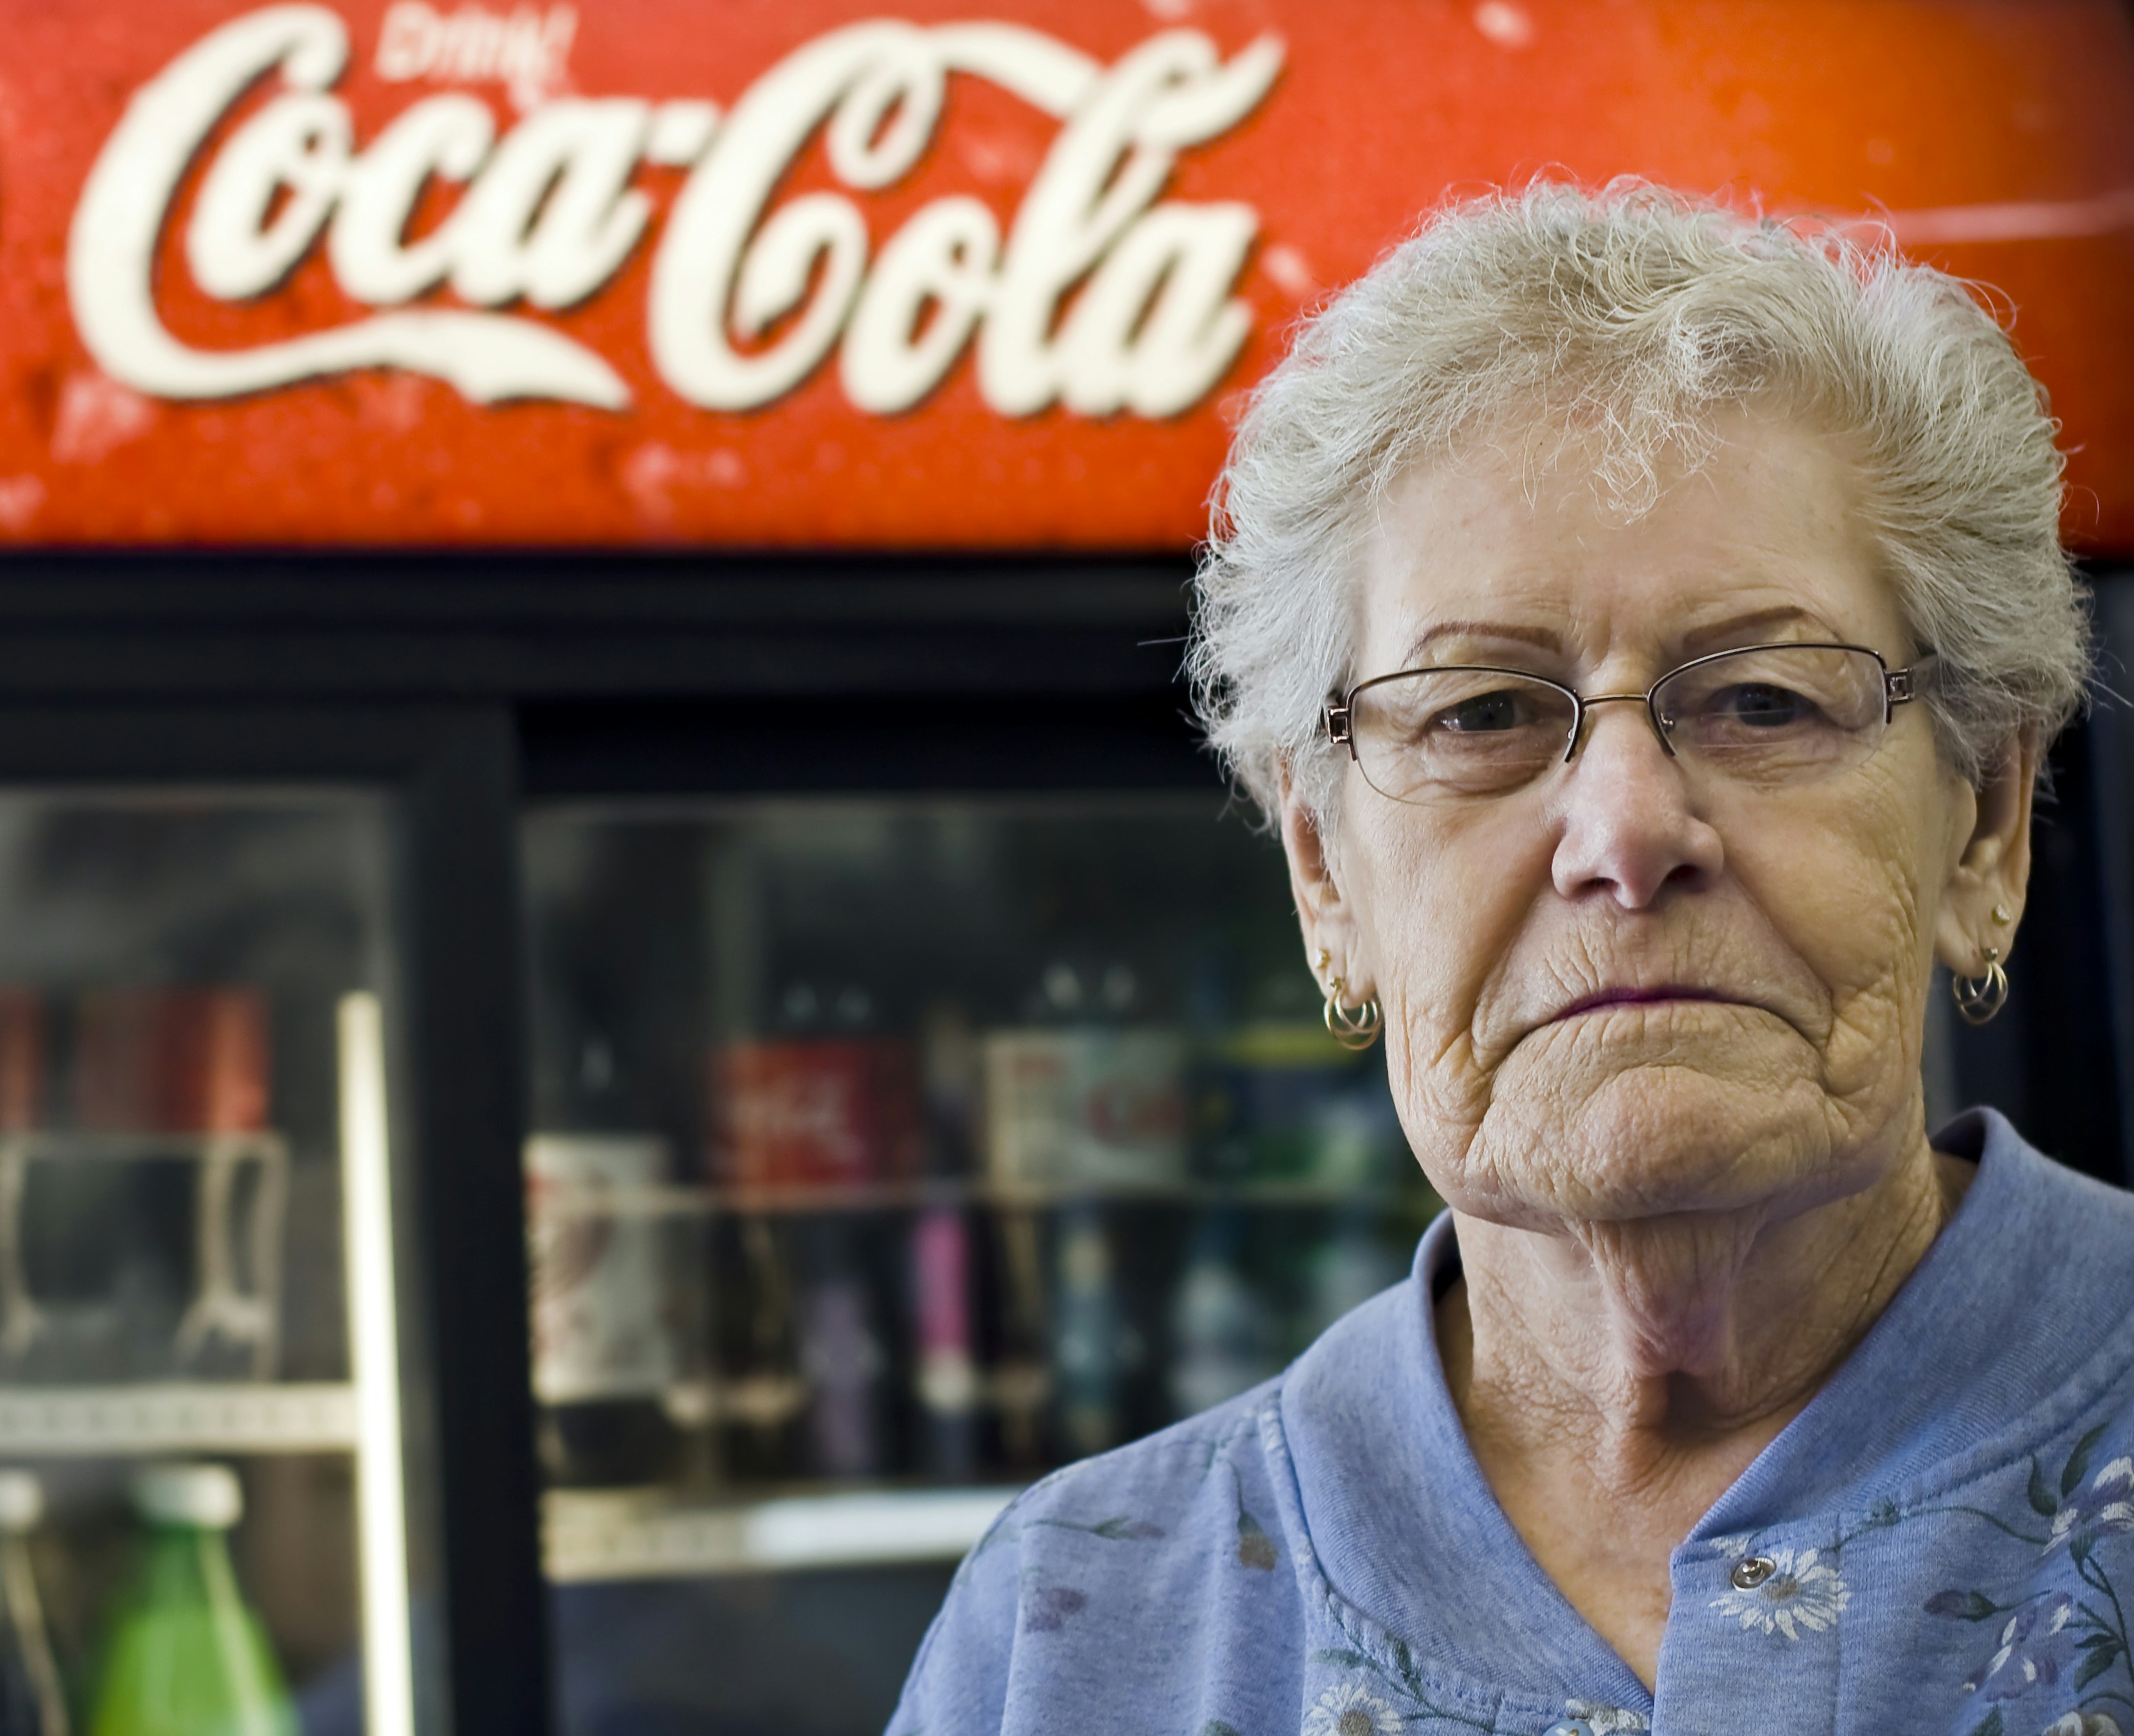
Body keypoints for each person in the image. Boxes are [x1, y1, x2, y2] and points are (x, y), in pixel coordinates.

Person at [889, 181, 2134, 1735]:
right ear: (1324, 873)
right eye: (1478, 714)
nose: (1623, 832)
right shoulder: (1071, 1631)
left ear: (1986, 826)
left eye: (1761, 699)